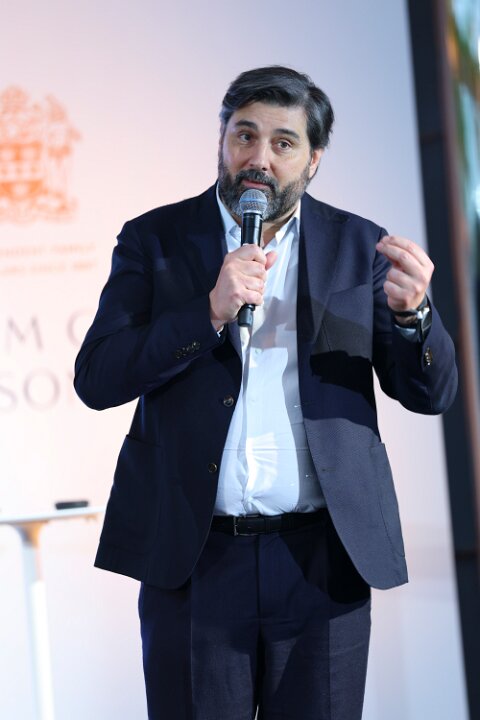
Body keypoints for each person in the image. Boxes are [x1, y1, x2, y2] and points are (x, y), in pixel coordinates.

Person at [74, 66, 457, 720]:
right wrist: (207, 313)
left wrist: (414, 316)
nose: (259, 158)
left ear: (314, 160)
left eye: (283, 142)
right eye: (244, 135)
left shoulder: (358, 247)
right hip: (194, 559)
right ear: (221, 142)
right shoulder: (156, 240)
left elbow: (430, 393)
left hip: (322, 562)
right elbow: (98, 377)